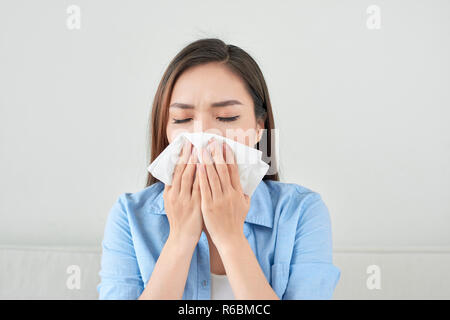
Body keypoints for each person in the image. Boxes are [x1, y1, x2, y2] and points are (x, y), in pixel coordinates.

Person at [97, 38, 341, 300]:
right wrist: (180, 239)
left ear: (259, 127)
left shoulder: (301, 212)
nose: (203, 135)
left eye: (227, 117)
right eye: (182, 119)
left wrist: (230, 238)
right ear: (165, 129)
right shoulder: (129, 217)